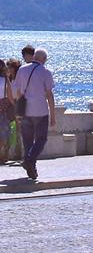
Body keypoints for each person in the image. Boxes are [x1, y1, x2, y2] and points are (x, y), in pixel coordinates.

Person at [12, 49, 57, 180]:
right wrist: (53, 115)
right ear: (44, 59)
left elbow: (18, 92)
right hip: (40, 111)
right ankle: (30, 161)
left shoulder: (22, 70)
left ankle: (31, 166)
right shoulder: (46, 72)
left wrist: (19, 110)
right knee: (41, 139)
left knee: (27, 141)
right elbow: (49, 94)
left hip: (26, 111)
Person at [0, 59, 17, 165]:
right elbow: (10, 96)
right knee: (4, 133)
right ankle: (2, 155)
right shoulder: (6, 80)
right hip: (4, 108)